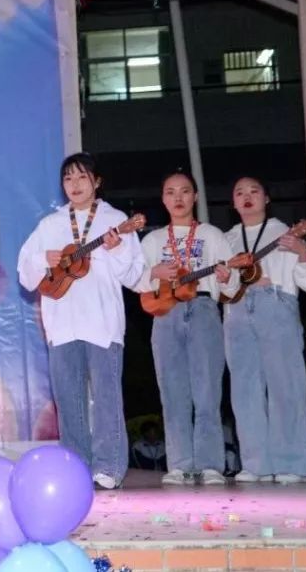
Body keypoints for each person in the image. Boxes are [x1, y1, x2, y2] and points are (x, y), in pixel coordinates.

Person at [17, 152, 145, 490]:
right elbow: (25, 272)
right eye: (68, 178)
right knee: (68, 399)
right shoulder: (50, 225)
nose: (74, 184)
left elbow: (134, 275)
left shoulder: (115, 220)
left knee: (106, 397)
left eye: (82, 177)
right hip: (62, 323)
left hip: (102, 323)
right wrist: (43, 258)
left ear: (97, 181)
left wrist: (117, 249)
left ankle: (109, 467)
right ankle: (75, 466)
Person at [135, 171, 238, 486]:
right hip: (166, 313)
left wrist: (226, 278)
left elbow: (233, 286)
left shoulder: (212, 235)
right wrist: (154, 272)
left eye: (184, 191)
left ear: (195, 196)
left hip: (204, 308)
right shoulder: (152, 240)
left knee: (207, 390)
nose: (178, 198)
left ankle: (210, 464)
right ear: (163, 199)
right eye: (170, 192)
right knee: (172, 391)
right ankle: (179, 464)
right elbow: (136, 280)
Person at [225, 176, 306, 485]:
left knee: (286, 386)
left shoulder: (284, 233)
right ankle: (256, 464)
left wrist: (303, 250)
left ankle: (292, 463)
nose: (247, 196)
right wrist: (226, 276)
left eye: (254, 190)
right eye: (240, 192)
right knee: (244, 389)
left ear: (267, 198)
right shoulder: (227, 239)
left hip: (277, 304)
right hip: (237, 311)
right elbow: (219, 287)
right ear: (233, 202)